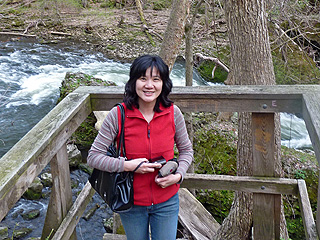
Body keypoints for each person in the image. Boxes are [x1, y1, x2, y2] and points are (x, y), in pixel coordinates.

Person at [87, 54, 193, 240]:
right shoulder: (117, 115)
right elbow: (93, 157)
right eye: (143, 78)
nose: (149, 85)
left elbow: (186, 151)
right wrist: (128, 165)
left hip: (167, 200)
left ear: (164, 83)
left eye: (156, 79)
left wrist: (178, 176)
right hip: (131, 202)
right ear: (133, 82)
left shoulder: (173, 113)